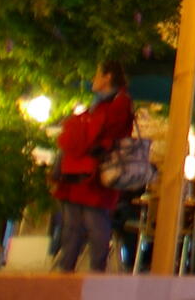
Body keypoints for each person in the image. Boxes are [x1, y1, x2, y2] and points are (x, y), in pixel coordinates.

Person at [53, 59, 135, 273]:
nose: (93, 79)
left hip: (94, 173)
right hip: (79, 171)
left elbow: (106, 134)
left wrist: (79, 131)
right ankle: (67, 275)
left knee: (93, 223)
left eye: (98, 74)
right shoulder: (103, 103)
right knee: (74, 226)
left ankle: (92, 275)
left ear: (108, 77)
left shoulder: (118, 103)